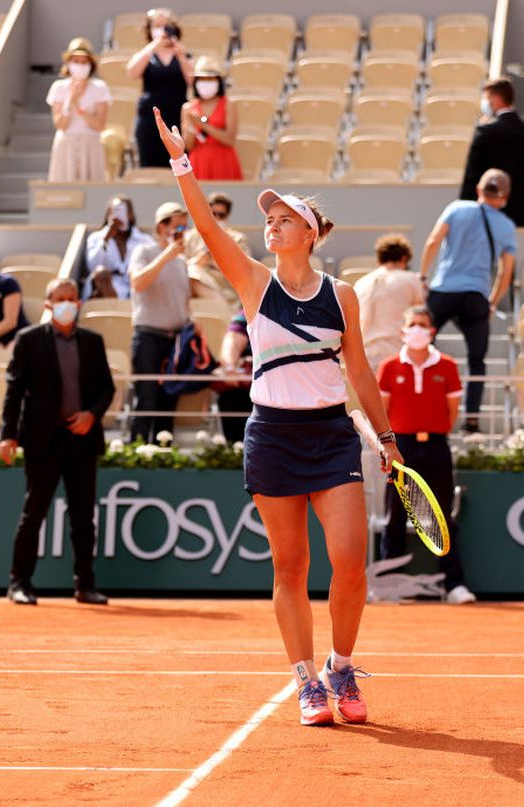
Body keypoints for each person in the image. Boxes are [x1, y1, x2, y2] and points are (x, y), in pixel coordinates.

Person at [155, 105, 403, 726]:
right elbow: (208, 232)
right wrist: (181, 159)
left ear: (310, 232)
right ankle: (306, 683)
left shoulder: (340, 295)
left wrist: (387, 439)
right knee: (289, 565)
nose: (271, 224)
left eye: (284, 218)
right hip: (272, 435)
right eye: (268, 218)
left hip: (331, 435)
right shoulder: (254, 284)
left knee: (350, 562)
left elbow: (361, 374)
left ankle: (340, 667)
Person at [0, 279, 115, 606]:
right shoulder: (28, 340)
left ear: (79, 303)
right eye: (60, 299)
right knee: (33, 513)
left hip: (82, 438)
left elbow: (107, 388)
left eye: (72, 298)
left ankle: (85, 585)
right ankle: (19, 583)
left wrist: (91, 415)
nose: (67, 303)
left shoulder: (93, 342)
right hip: (42, 440)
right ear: (48, 303)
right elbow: (14, 390)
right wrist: (7, 435)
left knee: (83, 517)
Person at [376, 306, 474, 605]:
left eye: (423, 324)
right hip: (400, 447)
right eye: (413, 324)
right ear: (403, 330)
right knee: (395, 515)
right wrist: (388, 445)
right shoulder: (390, 366)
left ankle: (454, 584)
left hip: (435, 445)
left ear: (432, 331)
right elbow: (383, 410)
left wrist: (435, 429)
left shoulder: (446, 365)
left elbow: (452, 410)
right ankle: (388, 585)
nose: (418, 329)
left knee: (442, 516)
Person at [420, 169, 518, 432]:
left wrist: (422, 276)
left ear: (478, 189)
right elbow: (506, 273)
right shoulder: (506, 226)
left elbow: (432, 242)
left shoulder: (456, 208)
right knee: (477, 359)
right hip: (475, 294)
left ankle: (425, 410)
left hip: (443, 290)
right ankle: (471, 420)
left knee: (421, 349)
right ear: (505, 196)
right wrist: (493, 302)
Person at [128, 201, 192, 443]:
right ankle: (137, 454)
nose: (181, 234)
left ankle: (162, 453)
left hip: (175, 338)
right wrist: (167, 254)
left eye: (184, 229)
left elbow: (183, 302)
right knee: (146, 399)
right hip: (148, 338)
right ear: (161, 227)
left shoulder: (181, 262)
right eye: (177, 228)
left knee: (168, 402)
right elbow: (139, 283)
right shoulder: (143, 252)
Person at [458, 78, 524, 228]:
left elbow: (472, 174)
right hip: (518, 206)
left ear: (496, 99)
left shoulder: (485, 132)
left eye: (487, 98)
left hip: (488, 205)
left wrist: (465, 205)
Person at [128, 8, 194, 167]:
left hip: (177, 116)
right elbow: (132, 72)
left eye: (166, 26)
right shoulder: (147, 54)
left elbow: (192, 80)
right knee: (149, 164)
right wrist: (153, 47)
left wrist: (180, 54)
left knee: (178, 164)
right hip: (150, 118)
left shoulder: (183, 54)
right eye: (157, 26)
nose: (162, 30)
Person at [354, 233, 425, 371]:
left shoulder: (360, 283)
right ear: (404, 258)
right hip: (397, 352)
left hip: (365, 354)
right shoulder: (411, 279)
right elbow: (420, 316)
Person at [46, 37, 111, 182]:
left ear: (91, 64)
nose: (80, 65)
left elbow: (99, 125)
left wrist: (78, 107)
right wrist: (71, 100)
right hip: (66, 145)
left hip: (91, 144)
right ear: (68, 63)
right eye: (76, 61)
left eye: (84, 62)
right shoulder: (59, 87)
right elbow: (60, 124)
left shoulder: (100, 87)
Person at [184, 192, 251, 310]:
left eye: (221, 215)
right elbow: (179, 268)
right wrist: (197, 261)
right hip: (196, 286)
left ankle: (224, 311)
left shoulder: (237, 238)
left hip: (226, 289)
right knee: (193, 272)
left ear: (227, 217)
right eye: (213, 214)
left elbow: (246, 271)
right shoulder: (190, 237)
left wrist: (219, 257)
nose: (217, 218)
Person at [180, 55, 242, 180]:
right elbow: (188, 145)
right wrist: (191, 126)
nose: (206, 83)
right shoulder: (188, 108)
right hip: (198, 161)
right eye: (202, 79)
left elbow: (229, 140)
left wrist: (202, 124)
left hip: (223, 160)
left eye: (210, 79)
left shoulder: (229, 105)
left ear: (218, 81)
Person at [82, 195, 153, 300]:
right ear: (108, 215)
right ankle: (115, 310)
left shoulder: (145, 240)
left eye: (123, 212)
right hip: (106, 287)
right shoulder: (96, 238)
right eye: (114, 211)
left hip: (135, 286)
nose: (118, 216)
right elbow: (92, 266)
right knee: (102, 273)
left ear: (131, 215)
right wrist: (106, 238)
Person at [214, 311, 253, 444]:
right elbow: (232, 339)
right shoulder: (245, 314)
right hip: (248, 387)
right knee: (230, 398)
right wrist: (230, 369)